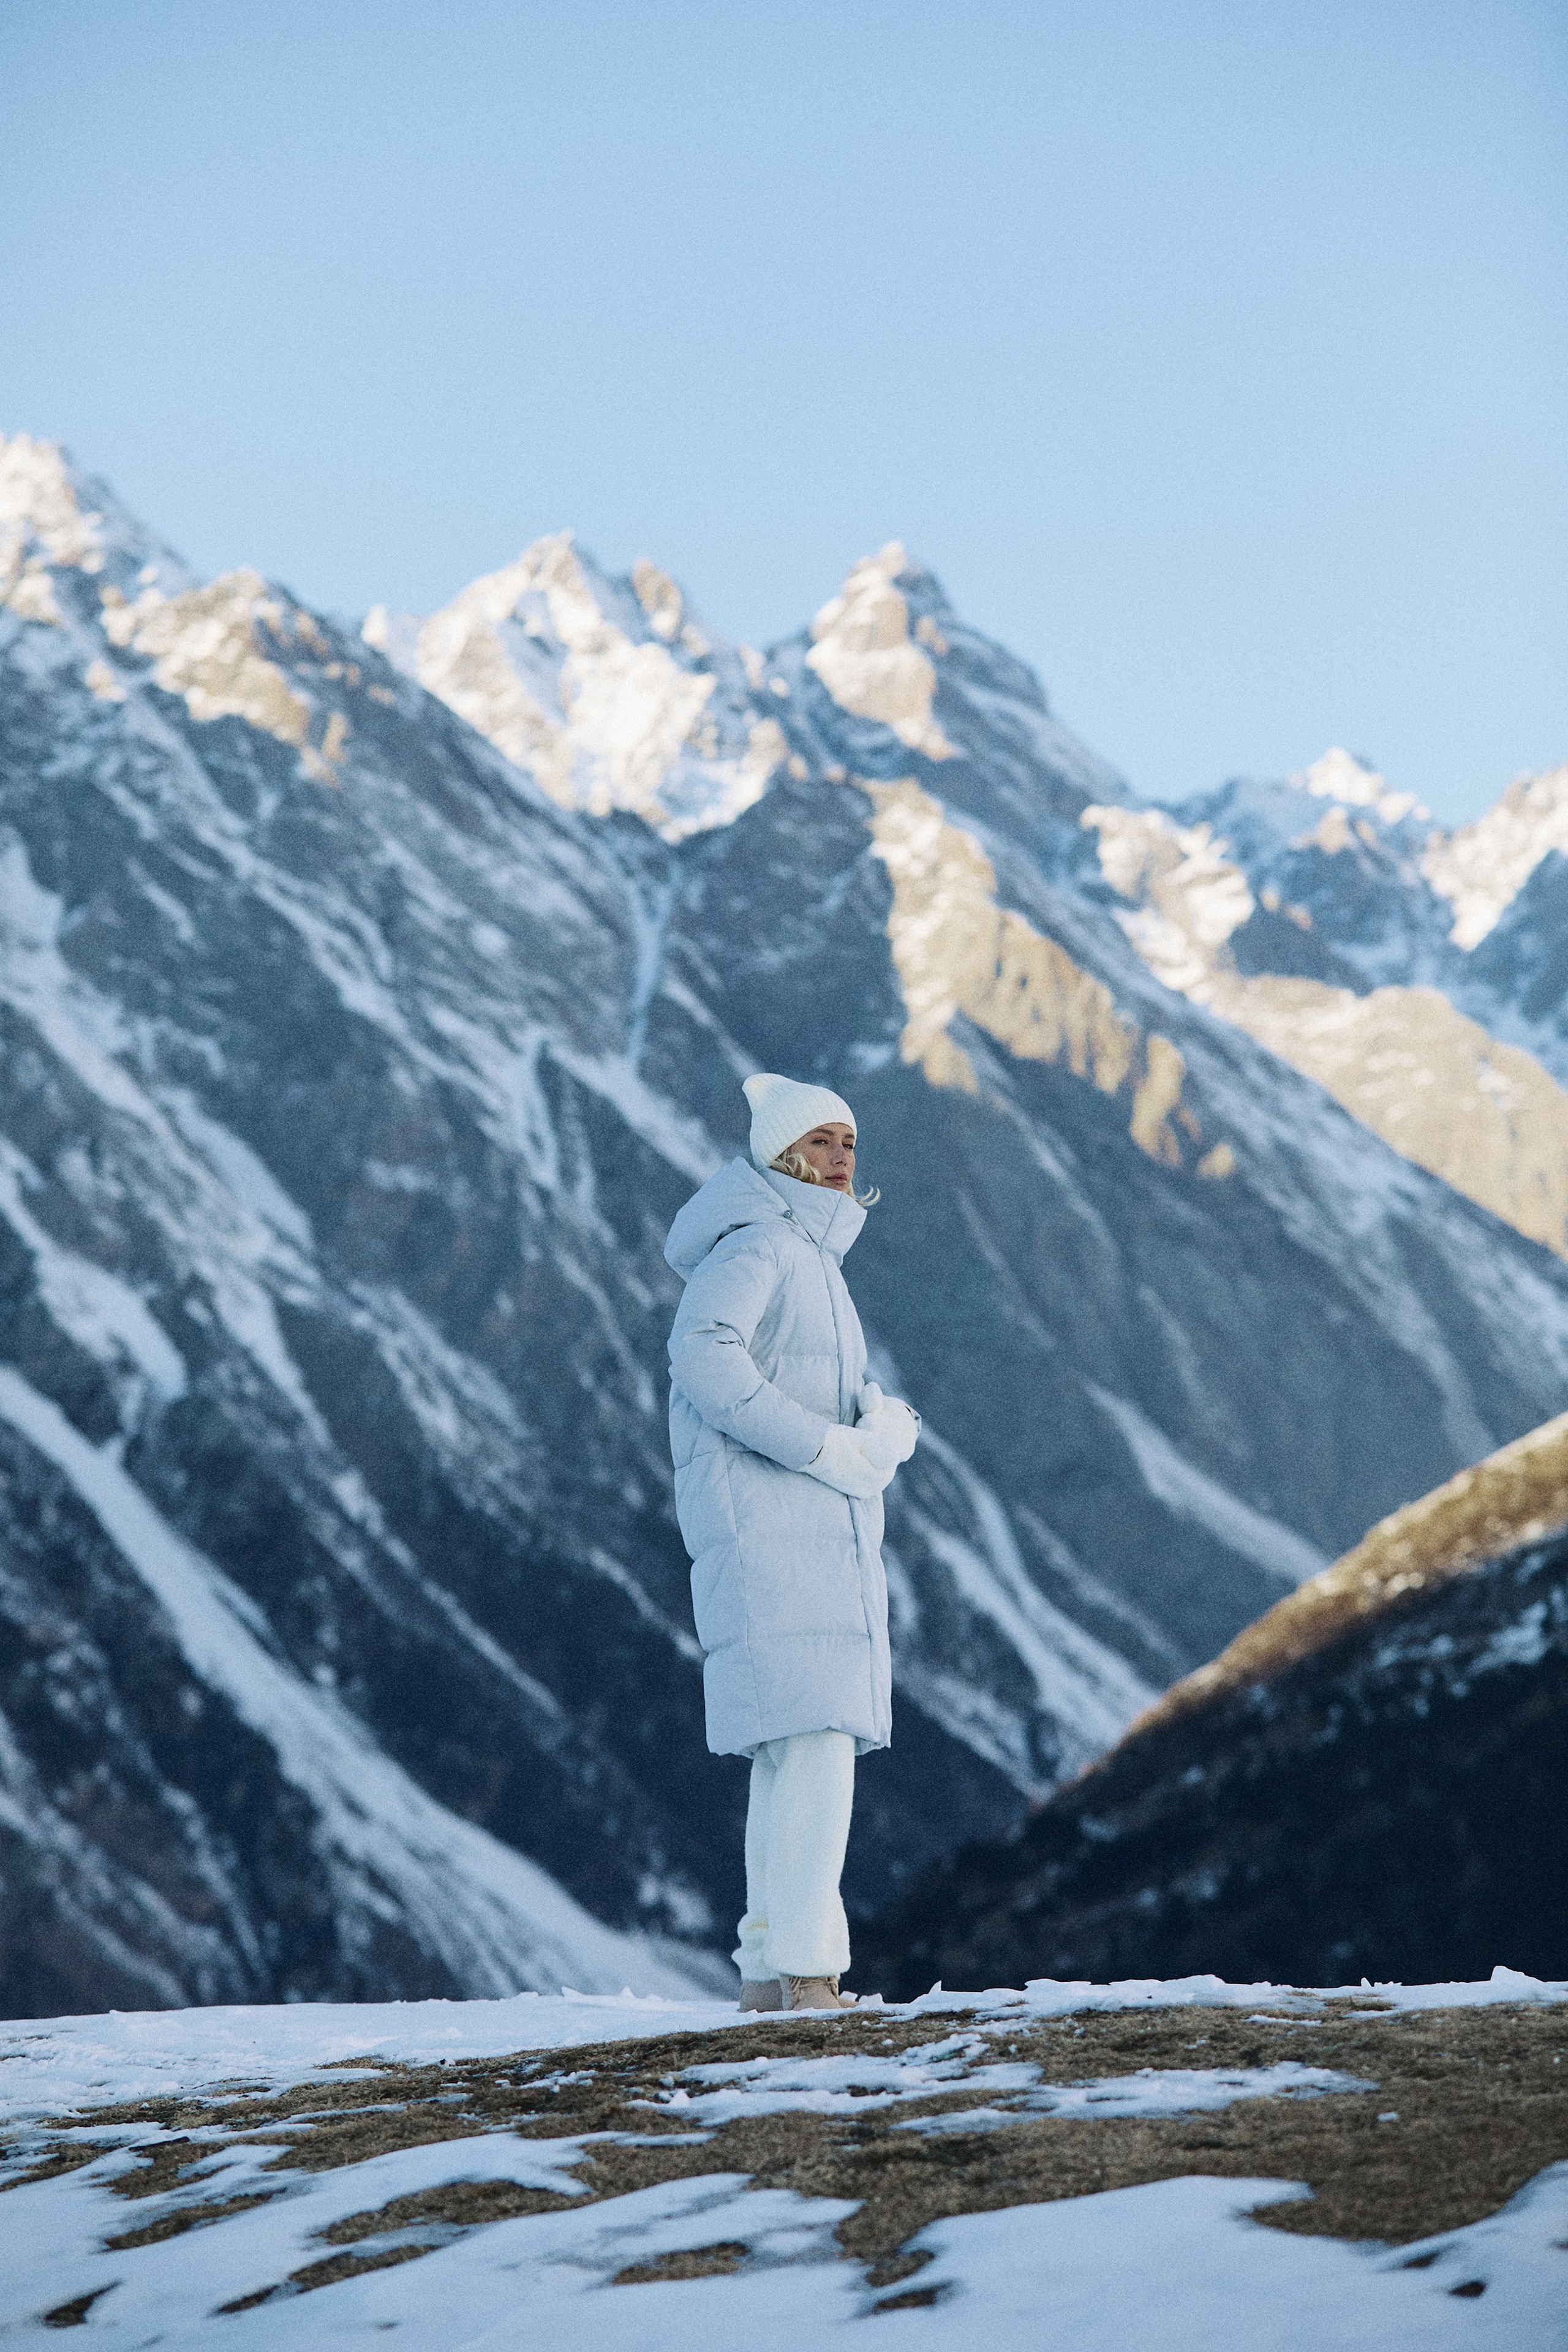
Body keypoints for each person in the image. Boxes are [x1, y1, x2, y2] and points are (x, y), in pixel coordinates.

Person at [663, 1072, 920, 2013]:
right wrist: (824, 1448)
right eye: (820, 1142)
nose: (841, 1158)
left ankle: (771, 1977)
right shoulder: (766, 1246)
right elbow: (703, 1356)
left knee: (791, 1753)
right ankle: (811, 1978)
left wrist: (880, 1427)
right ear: (779, 1156)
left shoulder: (811, 1260)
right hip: (777, 1530)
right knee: (814, 1750)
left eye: (849, 1142)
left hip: (799, 1529)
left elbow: (823, 1389)